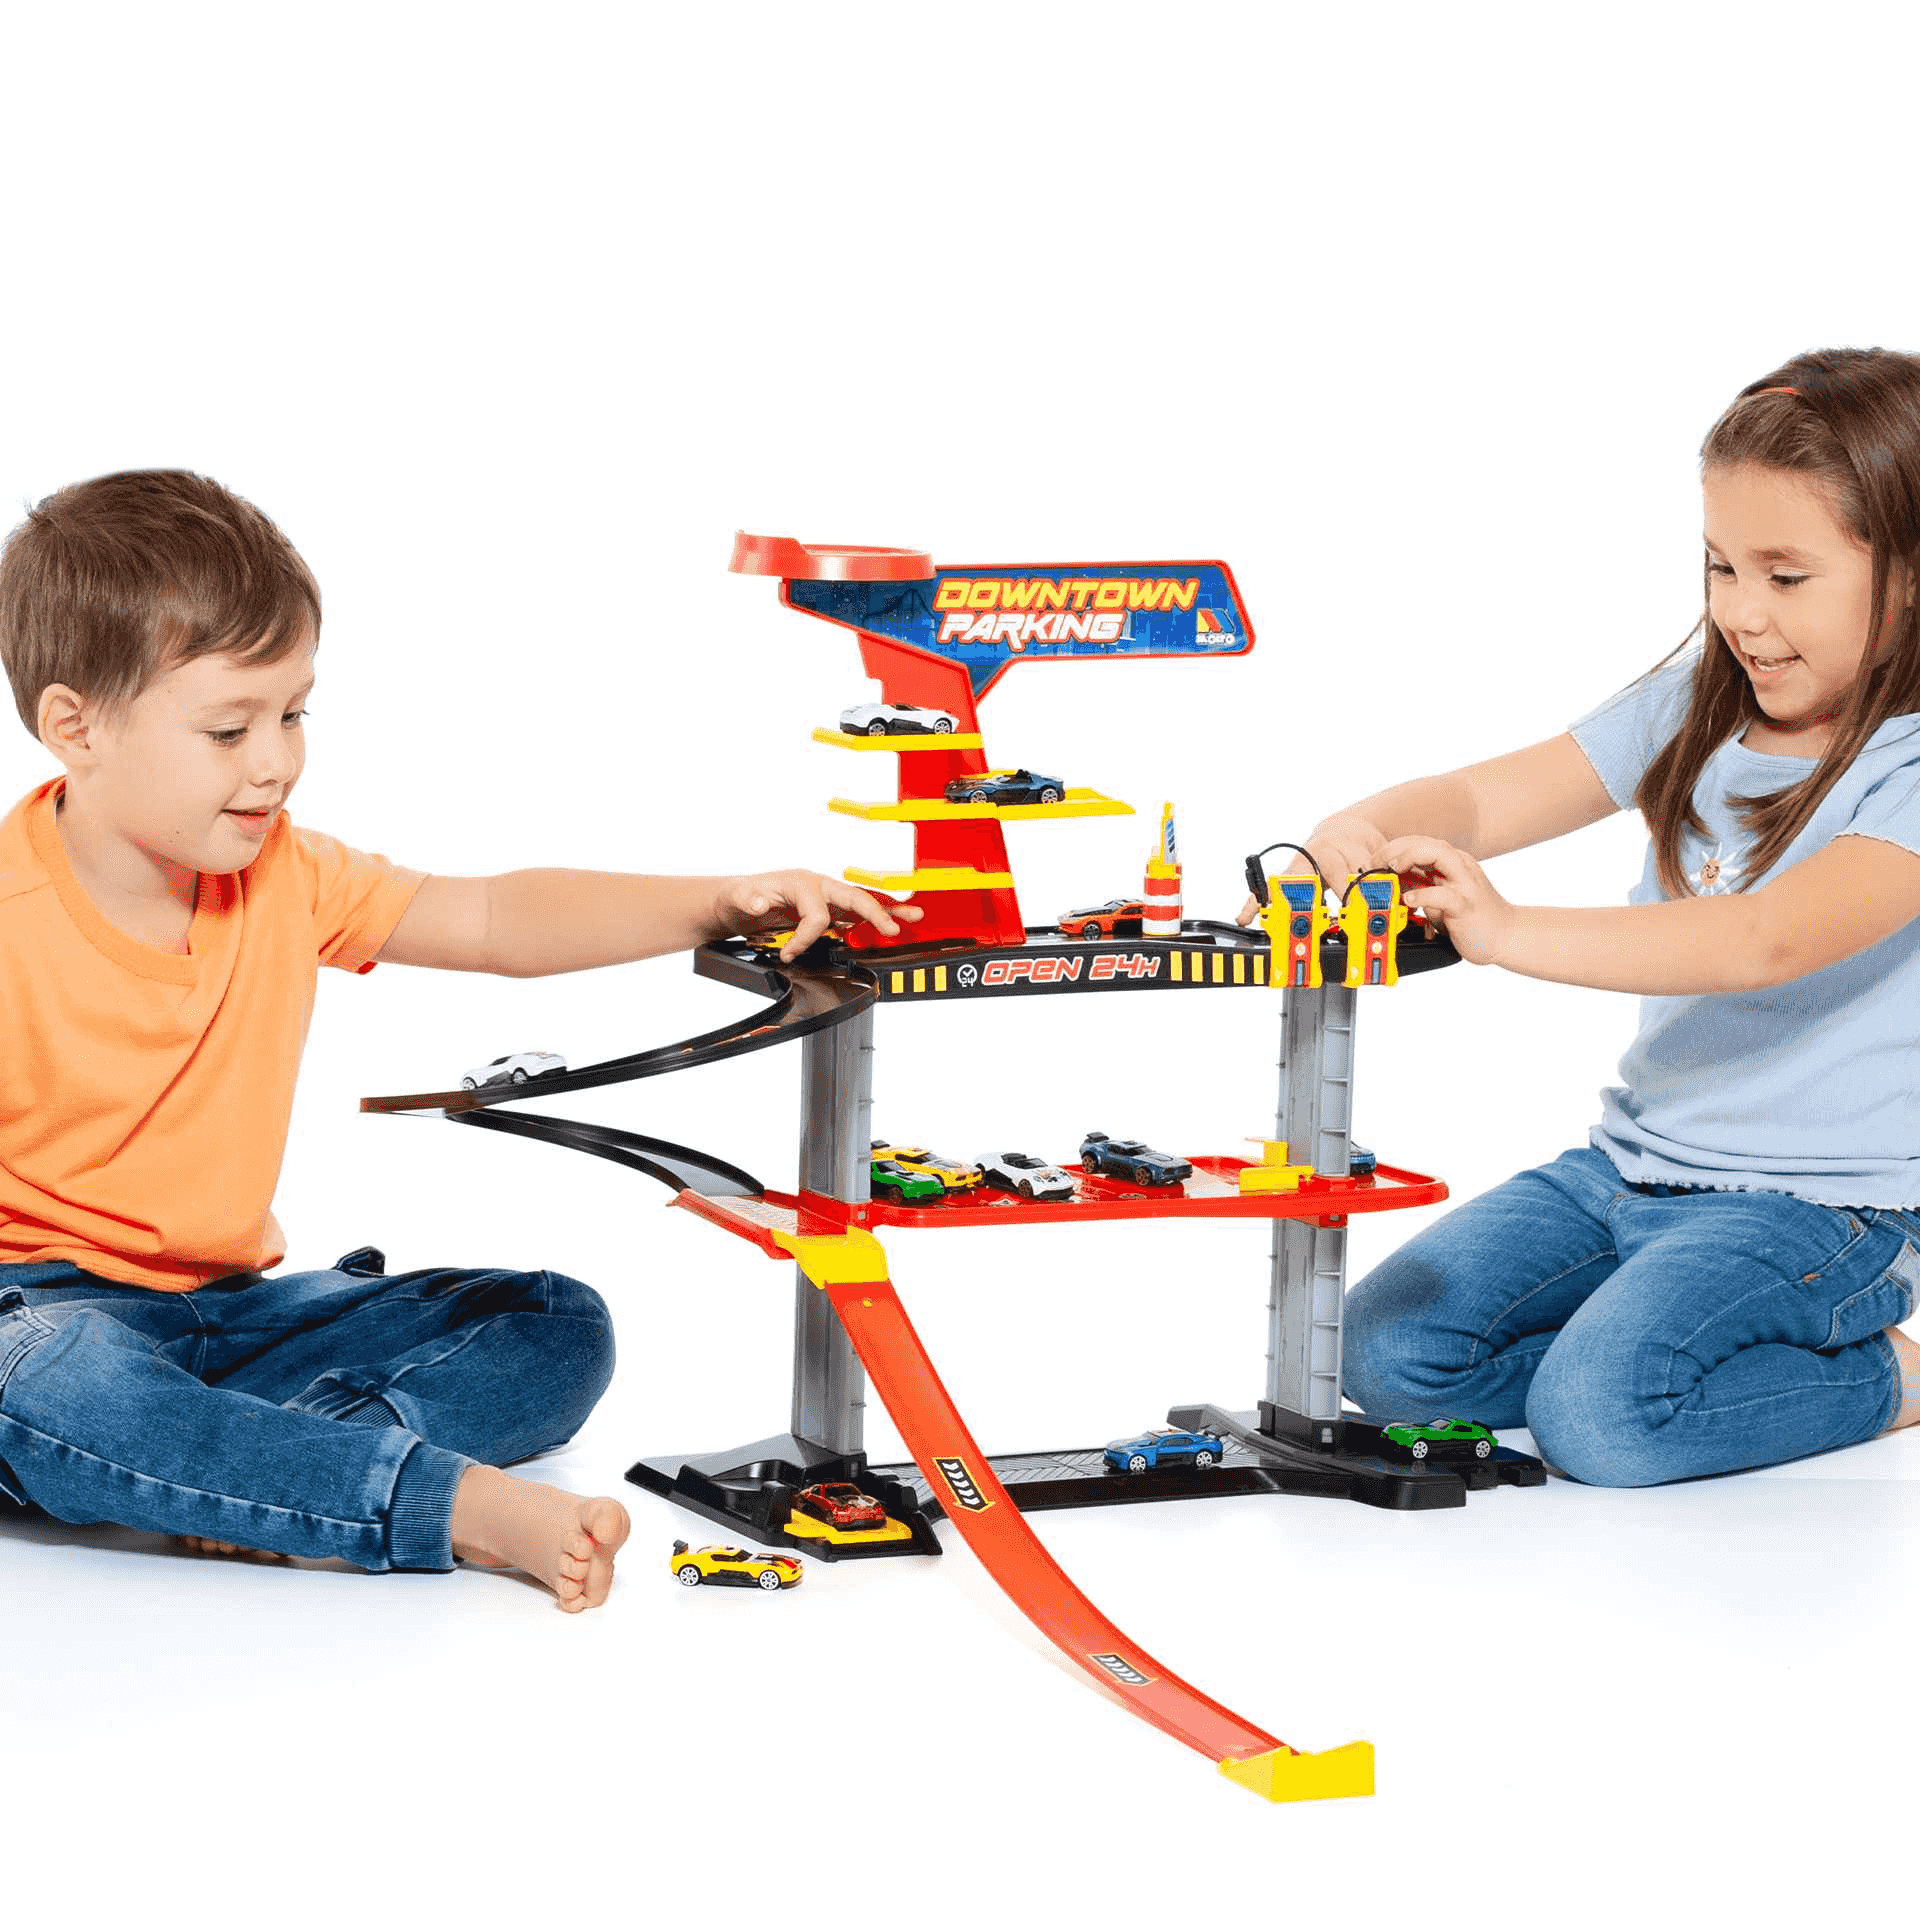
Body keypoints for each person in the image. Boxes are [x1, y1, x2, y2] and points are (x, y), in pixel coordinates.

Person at [0, 469, 917, 1606]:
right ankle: (431, 1500)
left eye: (294, 714)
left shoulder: (288, 872)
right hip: (39, 1318)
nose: (276, 762)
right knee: (54, 1387)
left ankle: (268, 1472)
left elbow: (489, 918)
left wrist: (716, 900)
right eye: (229, 728)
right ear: (75, 727)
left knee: (555, 1324)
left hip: (237, 1317)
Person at [1241, 347, 1920, 1487]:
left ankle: (1888, 1378)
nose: (1742, 614)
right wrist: (1350, 832)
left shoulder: (1907, 768)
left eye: (1787, 576)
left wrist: (1506, 932)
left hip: (1824, 1210)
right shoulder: (1700, 701)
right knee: (1383, 1351)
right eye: (1720, 567)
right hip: (1628, 1168)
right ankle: (1654, 1352)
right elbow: (1483, 799)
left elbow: (1766, 940)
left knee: (1604, 1421)